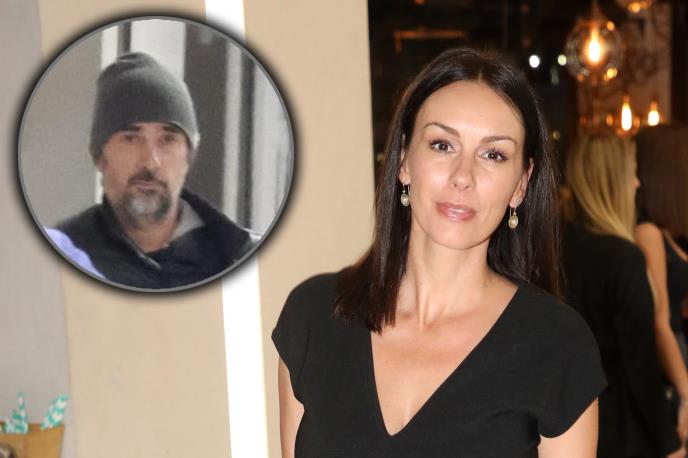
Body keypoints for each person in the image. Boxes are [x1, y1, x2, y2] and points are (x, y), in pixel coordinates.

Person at [272, 48, 605, 457]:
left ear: (521, 184)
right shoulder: (313, 316)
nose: (463, 176)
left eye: (493, 154)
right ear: (404, 161)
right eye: (442, 145)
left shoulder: (557, 346)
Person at [57, 52, 257, 289]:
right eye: (131, 138)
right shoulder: (60, 260)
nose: (151, 162)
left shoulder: (243, 259)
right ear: (100, 157)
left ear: (189, 155)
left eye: (168, 139)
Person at [562, 134, 682, 457]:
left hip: (573, 425)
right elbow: (640, 363)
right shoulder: (623, 257)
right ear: (612, 182)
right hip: (622, 429)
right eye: (632, 172)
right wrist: (669, 442)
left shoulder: (557, 247)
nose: (637, 182)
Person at [635, 124, 688, 441]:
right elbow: (660, 322)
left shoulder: (665, 231)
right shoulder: (648, 233)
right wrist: (686, 393)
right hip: (670, 371)